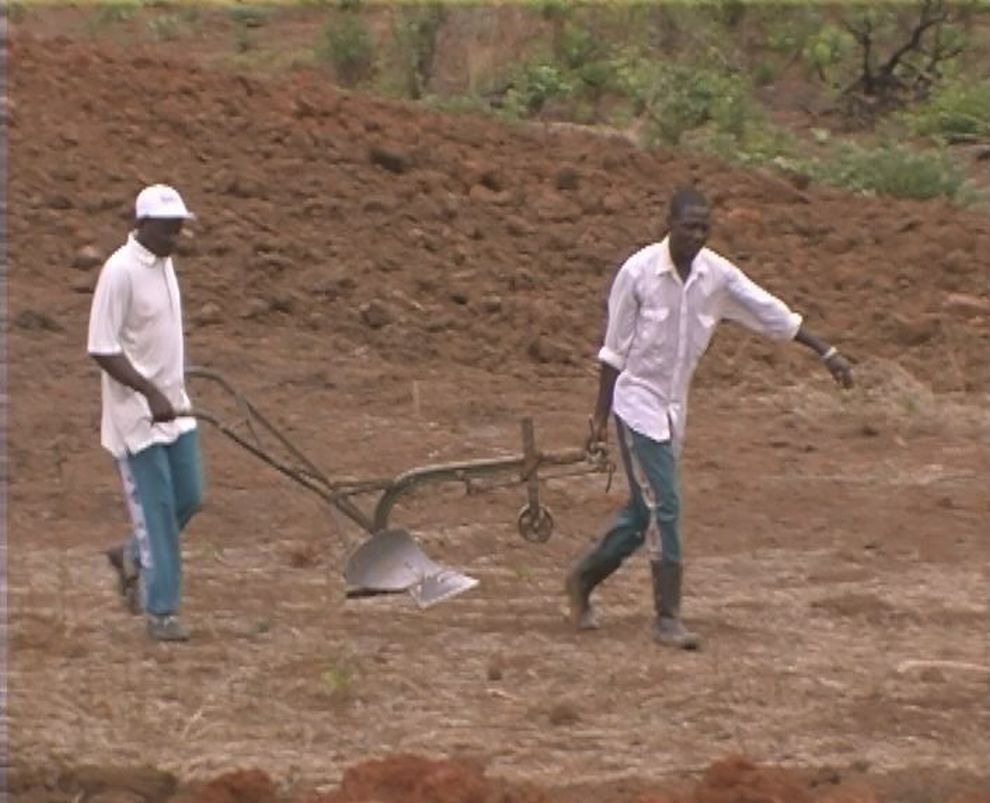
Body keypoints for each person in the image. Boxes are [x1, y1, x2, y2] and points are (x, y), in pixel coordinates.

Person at [566, 186, 853, 650]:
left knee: (645, 514)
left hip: (675, 407)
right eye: (688, 226)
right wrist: (599, 419)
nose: (697, 236)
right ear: (669, 223)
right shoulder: (638, 273)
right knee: (666, 505)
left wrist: (827, 351)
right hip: (635, 403)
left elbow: (769, 312)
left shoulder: (716, 276)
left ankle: (583, 578)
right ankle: (667, 618)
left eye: (704, 228)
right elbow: (613, 353)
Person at [88, 184, 204, 642]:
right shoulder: (119, 271)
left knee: (190, 495)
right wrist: (147, 390)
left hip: (175, 405)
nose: (177, 235)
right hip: (136, 415)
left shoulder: (164, 262)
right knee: (156, 511)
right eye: (168, 228)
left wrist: (171, 383)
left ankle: (132, 553)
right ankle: (161, 612)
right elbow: (101, 347)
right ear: (142, 225)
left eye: (180, 227)